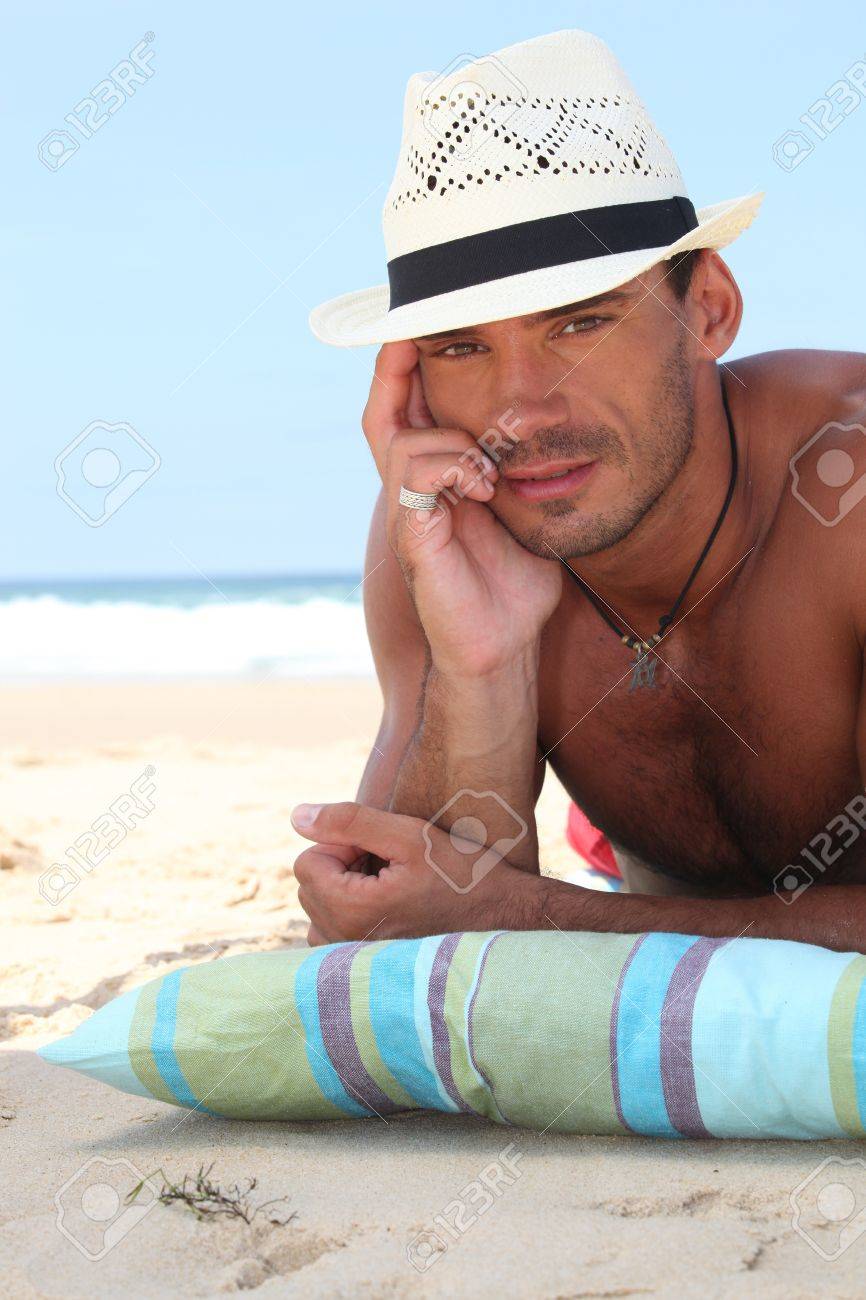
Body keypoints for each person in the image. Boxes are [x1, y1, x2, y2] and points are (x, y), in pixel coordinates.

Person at [293, 30, 866, 952]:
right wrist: (479, 666)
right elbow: (404, 927)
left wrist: (530, 912)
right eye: (461, 346)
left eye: (582, 323)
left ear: (708, 309)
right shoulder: (446, 514)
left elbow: (483, 910)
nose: (520, 412)